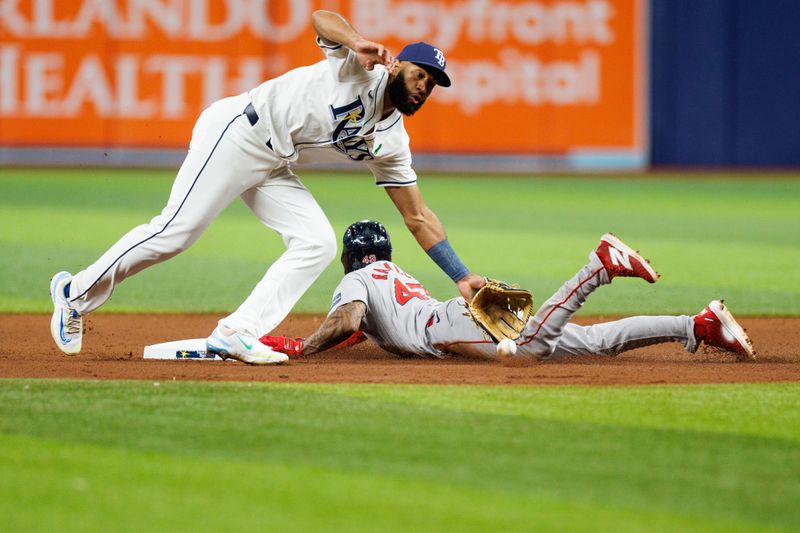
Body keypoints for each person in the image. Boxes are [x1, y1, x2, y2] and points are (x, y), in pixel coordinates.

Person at [48, 10, 485, 364]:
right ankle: (74, 293)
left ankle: (235, 333)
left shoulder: (392, 143)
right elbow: (321, 18)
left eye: (433, 83)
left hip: (276, 160)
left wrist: (461, 276)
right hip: (238, 132)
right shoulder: (359, 69)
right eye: (421, 74)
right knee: (176, 232)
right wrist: (355, 41)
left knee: (315, 243)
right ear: (398, 64)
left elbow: (418, 216)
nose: (425, 86)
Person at [260, 221, 755, 362]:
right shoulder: (391, 274)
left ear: (348, 258)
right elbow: (358, 332)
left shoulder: (354, 281)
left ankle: (597, 268)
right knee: (595, 343)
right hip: (457, 314)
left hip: (447, 328)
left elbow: (347, 322)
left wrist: (303, 348)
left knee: (534, 347)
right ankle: (698, 325)